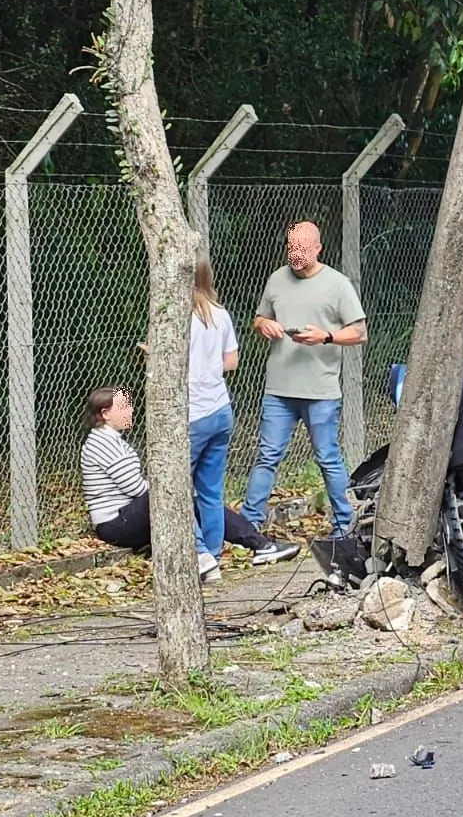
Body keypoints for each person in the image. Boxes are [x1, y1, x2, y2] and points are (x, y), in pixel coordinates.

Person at [240, 220, 367, 543]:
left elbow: (359, 333)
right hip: (279, 389)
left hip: (320, 391)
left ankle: (343, 524)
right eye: (291, 248)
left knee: (327, 457)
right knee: (267, 455)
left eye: (302, 249)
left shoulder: (338, 285)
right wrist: (264, 325)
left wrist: (326, 336)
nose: (295, 255)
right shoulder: (277, 279)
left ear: (318, 249)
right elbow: (259, 318)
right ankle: (247, 526)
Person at [81, 387, 281, 584]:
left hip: (126, 515)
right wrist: (170, 486)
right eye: (124, 407)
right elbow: (136, 489)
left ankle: (251, 545)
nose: (131, 410)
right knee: (172, 493)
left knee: (186, 497)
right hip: (115, 524)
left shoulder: (110, 440)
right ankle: (251, 545)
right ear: (105, 413)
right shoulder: (103, 443)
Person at [188, 259, 298, 575]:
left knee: (178, 489)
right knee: (210, 492)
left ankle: (199, 554)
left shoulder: (179, 316)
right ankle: (213, 558)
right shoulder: (220, 315)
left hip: (191, 412)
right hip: (220, 409)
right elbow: (231, 362)